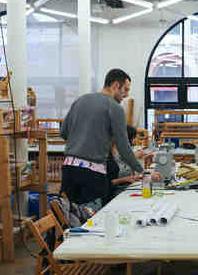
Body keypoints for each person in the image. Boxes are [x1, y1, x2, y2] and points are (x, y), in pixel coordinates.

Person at [59, 69, 143, 206]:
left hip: (69, 169)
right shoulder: (115, 108)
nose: (127, 95)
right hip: (92, 175)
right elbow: (123, 148)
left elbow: (63, 132)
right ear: (115, 85)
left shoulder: (81, 100)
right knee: (93, 217)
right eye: (126, 89)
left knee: (70, 213)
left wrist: (81, 141)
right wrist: (143, 171)